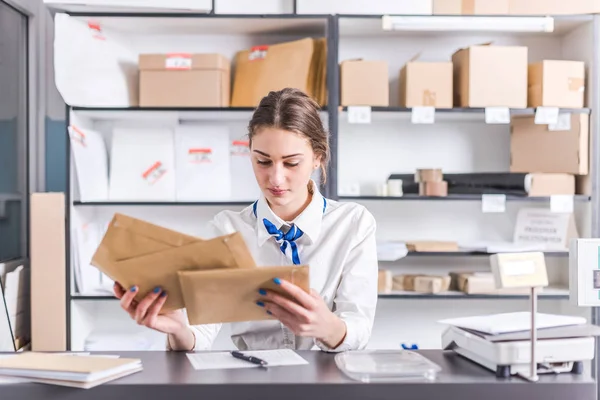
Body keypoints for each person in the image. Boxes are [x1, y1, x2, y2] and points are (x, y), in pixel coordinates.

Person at [114, 88, 378, 352]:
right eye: (263, 161)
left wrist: (328, 327)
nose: (275, 179)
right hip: (252, 381)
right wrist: (178, 328)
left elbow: (359, 326)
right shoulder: (227, 229)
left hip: (326, 384)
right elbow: (201, 332)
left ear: (317, 158)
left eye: (291, 163)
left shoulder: (353, 224)